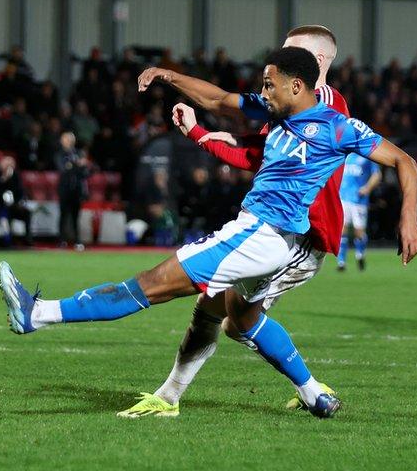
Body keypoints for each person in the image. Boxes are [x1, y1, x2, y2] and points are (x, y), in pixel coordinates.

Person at [0, 46, 417, 420]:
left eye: (270, 84)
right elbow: (218, 98)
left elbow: (404, 160)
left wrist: (408, 217)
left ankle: (37, 314)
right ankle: (314, 395)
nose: (264, 91)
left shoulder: (337, 126)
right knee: (244, 318)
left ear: (297, 85)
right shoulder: (274, 113)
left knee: (151, 284)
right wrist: (170, 76)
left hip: (258, 235)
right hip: (274, 243)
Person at [117, 26, 353, 418]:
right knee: (212, 307)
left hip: (300, 236)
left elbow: (228, 107)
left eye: (293, 52)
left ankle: (313, 391)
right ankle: (169, 396)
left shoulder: (325, 106)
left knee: (236, 321)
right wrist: (199, 132)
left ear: (320, 63)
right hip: (275, 229)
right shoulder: (289, 107)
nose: (281, 58)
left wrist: (176, 84)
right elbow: (254, 156)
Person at [337, 154, 381, 272]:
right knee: (342, 230)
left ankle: (360, 255)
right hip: (343, 198)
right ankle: (341, 262)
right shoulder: (346, 155)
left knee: (359, 232)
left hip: (358, 199)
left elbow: (377, 175)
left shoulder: (366, 155)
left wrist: (367, 188)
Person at [55, 131, 88, 248]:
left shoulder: (79, 153)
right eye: (65, 139)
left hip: (77, 190)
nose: (67, 142)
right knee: (63, 215)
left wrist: (74, 165)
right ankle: (61, 240)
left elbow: (85, 172)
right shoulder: (60, 154)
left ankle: (77, 240)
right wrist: (77, 164)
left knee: (75, 216)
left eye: (69, 139)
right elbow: (63, 169)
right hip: (64, 189)